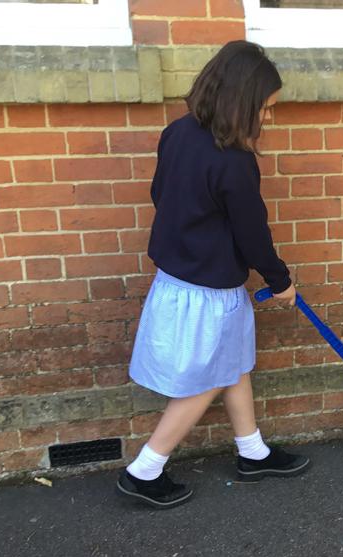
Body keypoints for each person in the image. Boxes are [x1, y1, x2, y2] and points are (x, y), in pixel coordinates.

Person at [117, 41, 309, 509]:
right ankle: (144, 470)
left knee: (232, 364)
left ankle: (252, 452)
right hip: (208, 291)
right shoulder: (233, 160)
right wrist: (280, 281)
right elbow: (252, 233)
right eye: (265, 107)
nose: (269, 117)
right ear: (241, 101)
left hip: (179, 279)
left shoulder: (178, 132)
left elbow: (160, 193)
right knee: (205, 381)